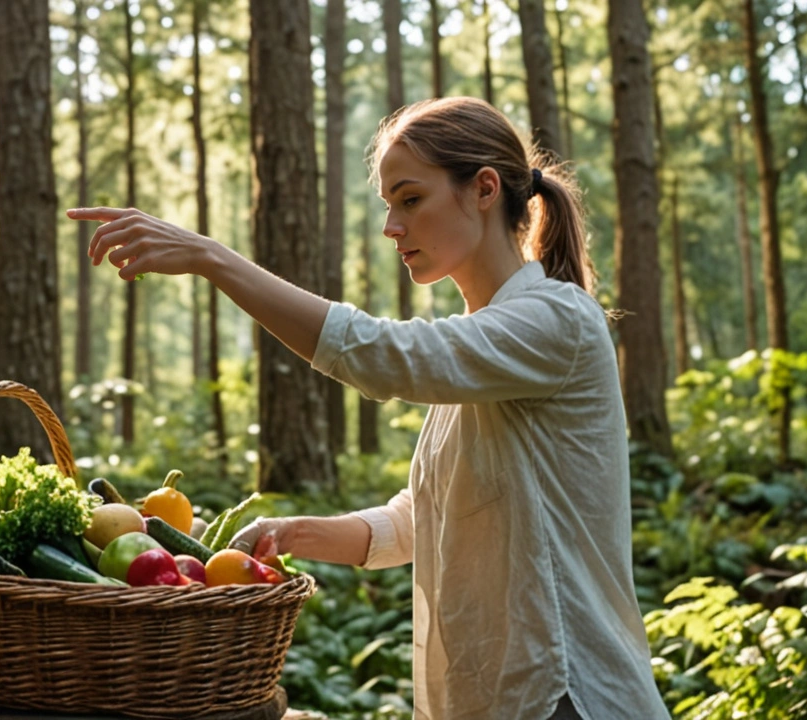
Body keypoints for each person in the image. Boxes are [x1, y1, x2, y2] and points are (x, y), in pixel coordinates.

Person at [69, 96, 668, 720]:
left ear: (484, 188)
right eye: (388, 206)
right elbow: (420, 520)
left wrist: (213, 260)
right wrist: (292, 533)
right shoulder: (484, 349)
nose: (392, 228)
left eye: (410, 199)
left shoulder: (556, 320)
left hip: (566, 693)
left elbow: (376, 354)